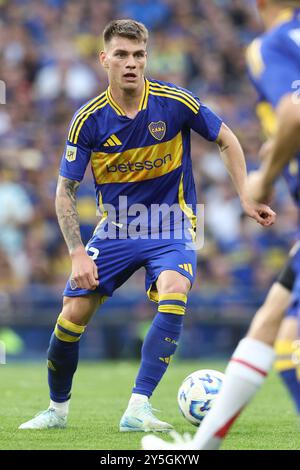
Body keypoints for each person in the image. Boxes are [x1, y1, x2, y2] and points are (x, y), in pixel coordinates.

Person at [18, 19, 275, 432]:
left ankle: (138, 405)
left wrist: (245, 195)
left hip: (172, 222)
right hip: (117, 227)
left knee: (175, 289)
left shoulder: (175, 102)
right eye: (121, 55)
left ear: (146, 58)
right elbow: (64, 191)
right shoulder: (89, 120)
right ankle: (57, 410)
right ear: (104, 59)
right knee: (71, 316)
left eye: (139, 55)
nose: (131, 63)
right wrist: (77, 252)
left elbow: (227, 137)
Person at [141, 0, 300, 450]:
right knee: (270, 319)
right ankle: (201, 448)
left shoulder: (271, 45)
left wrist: (263, 179)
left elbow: (293, 112)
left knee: (290, 345)